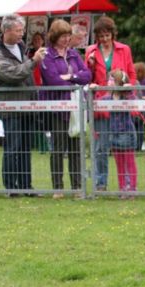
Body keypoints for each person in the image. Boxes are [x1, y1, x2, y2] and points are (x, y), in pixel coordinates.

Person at [0, 13, 47, 196]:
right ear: (6, 31)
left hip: (27, 105)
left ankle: (26, 186)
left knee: (25, 149)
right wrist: (33, 61)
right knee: (12, 148)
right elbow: (13, 74)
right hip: (10, 108)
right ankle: (11, 187)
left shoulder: (20, 46)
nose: (22, 34)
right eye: (18, 30)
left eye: (22, 30)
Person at [39, 19, 91, 198]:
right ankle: (58, 188)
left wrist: (70, 77)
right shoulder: (47, 55)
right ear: (55, 36)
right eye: (63, 36)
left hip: (76, 106)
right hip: (58, 108)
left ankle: (77, 187)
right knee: (58, 149)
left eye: (68, 35)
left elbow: (87, 75)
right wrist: (75, 80)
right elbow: (53, 80)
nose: (67, 39)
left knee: (76, 148)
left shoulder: (74, 54)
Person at [85, 16, 136, 192]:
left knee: (123, 147)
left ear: (113, 34)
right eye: (101, 36)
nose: (105, 39)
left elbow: (131, 74)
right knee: (100, 147)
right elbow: (87, 77)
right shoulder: (91, 51)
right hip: (100, 104)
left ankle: (127, 184)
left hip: (120, 104)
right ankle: (101, 182)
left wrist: (129, 89)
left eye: (107, 35)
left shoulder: (124, 49)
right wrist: (90, 65)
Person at [106, 69, 138, 196]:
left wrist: (129, 90)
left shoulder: (126, 96)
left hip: (127, 133)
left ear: (119, 82)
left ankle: (132, 189)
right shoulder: (108, 97)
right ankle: (122, 188)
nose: (109, 82)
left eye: (112, 80)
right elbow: (96, 103)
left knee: (130, 162)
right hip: (113, 134)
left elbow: (134, 102)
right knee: (119, 164)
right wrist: (93, 89)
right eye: (109, 79)